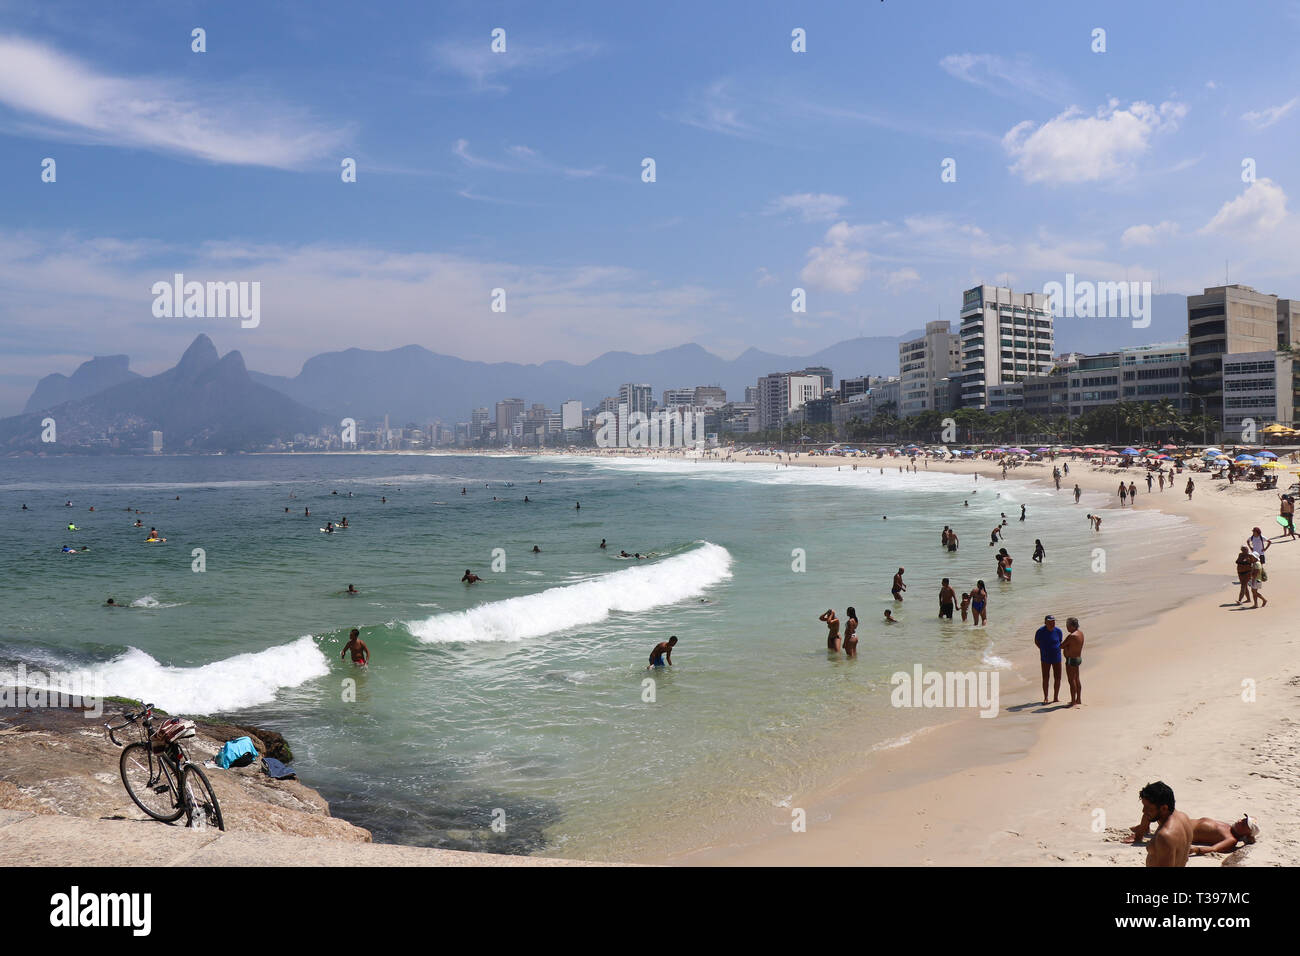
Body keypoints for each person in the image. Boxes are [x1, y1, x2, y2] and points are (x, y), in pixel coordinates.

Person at [1131, 781, 1192, 867]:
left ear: (1164, 808)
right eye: (1144, 806)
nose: (1143, 811)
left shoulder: (1165, 836)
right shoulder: (1184, 818)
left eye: (1148, 807)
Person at [1188, 815, 1260, 856]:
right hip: (1183, 822)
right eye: (1243, 819)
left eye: (1243, 824)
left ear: (1246, 834)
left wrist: (1194, 849)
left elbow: (1214, 849)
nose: (1239, 821)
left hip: (1184, 832)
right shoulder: (1229, 827)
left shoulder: (1231, 839)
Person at [1034, 614, 1063, 704]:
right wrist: (1043, 649)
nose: (1052, 623)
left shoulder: (1058, 631)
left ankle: (1055, 697)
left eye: (1053, 621)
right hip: (1045, 658)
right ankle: (1046, 697)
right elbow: (1036, 642)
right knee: (1046, 678)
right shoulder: (1040, 631)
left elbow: (1060, 641)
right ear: (1045, 622)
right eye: (1050, 622)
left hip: (1057, 658)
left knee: (1058, 678)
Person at [1061, 617, 1083, 707]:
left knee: (1071, 680)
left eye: (1068, 626)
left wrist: (1065, 647)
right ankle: (1078, 699)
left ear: (1072, 626)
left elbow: (1061, 645)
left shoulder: (1072, 636)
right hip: (1078, 658)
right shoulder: (1080, 633)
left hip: (1071, 660)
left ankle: (1073, 701)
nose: (1067, 628)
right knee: (1077, 679)